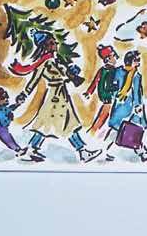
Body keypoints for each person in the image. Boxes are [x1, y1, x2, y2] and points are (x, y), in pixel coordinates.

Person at [14, 34, 100, 164]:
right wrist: (24, 94)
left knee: (49, 124)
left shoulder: (56, 60)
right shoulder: (44, 62)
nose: (55, 44)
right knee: (65, 124)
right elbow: (34, 80)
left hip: (61, 95)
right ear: (45, 46)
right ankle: (82, 152)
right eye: (51, 42)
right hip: (55, 98)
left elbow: (65, 75)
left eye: (54, 42)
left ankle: (31, 149)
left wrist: (72, 73)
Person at [103, 51, 147, 162]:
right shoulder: (120, 72)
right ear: (130, 61)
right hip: (125, 107)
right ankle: (140, 153)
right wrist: (137, 106)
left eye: (138, 60)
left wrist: (137, 105)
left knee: (129, 129)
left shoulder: (134, 74)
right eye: (136, 60)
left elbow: (137, 92)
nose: (138, 63)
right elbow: (114, 87)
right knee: (124, 129)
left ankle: (141, 152)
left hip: (128, 107)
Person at [84, 44, 120, 134]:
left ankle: (95, 129)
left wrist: (89, 92)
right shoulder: (111, 70)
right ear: (107, 59)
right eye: (113, 56)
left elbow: (95, 81)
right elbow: (106, 84)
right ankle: (94, 130)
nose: (115, 57)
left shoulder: (103, 69)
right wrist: (117, 87)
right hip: (107, 94)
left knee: (105, 112)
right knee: (105, 113)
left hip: (103, 93)